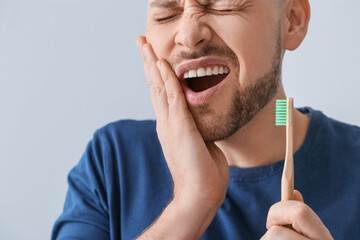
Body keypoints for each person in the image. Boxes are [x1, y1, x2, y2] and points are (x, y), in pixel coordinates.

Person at [52, 0, 360, 239]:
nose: (188, 34)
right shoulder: (111, 162)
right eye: (166, 12)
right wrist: (189, 207)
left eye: (221, 3)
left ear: (292, 19)